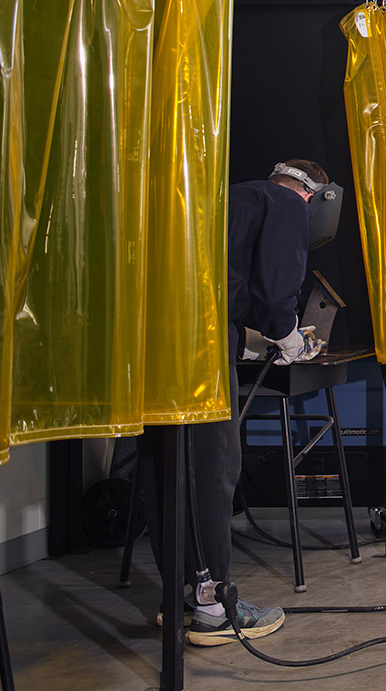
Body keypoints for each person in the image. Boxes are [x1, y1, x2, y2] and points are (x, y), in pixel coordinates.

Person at [139, 159, 328, 646]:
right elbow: (277, 285)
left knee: (168, 466)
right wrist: (289, 337)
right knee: (212, 467)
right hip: (200, 350)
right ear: (313, 194)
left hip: (155, 341)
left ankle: (179, 597)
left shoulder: (229, 198)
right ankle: (212, 605)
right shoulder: (287, 203)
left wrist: (244, 341)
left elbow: (219, 280)